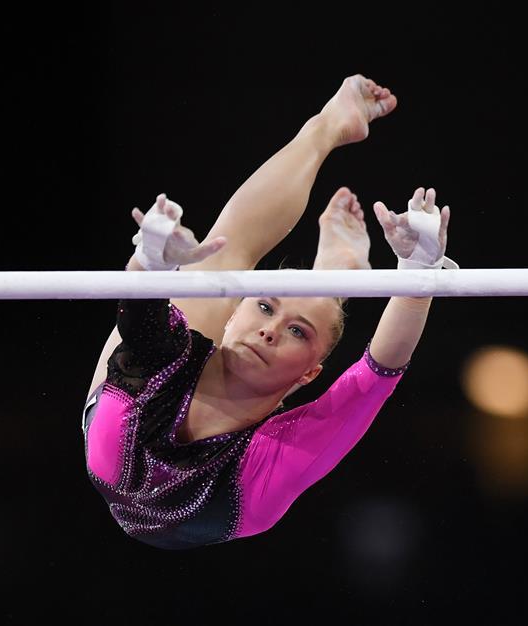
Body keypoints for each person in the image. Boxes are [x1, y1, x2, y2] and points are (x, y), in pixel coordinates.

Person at [82, 74, 456, 549]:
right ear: (233, 316)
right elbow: (140, 312)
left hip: (178, 468)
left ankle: (334, 278)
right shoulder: (168, 356)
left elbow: (377, 374)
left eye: (295, 333)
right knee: (223, 257)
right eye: (263, 307)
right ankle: (328, 133)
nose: (269, 331)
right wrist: (152, 263)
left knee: (202, 284)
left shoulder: (272, 463)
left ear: (310, 374)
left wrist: (419, 276)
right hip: (142, 409)